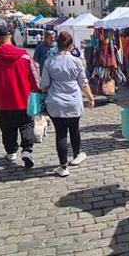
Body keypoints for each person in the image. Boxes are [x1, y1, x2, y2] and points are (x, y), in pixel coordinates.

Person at [0, 25, 40, 168]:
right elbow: (35, 77)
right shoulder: (24, 55)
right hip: (24, 99)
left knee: (7, 127)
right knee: (26, 124)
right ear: (10, 36)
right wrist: (37, 92)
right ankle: (27, 150)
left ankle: (11, 152)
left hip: (3, 101)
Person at [40, 31, 95, 177]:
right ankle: (76, 155)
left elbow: (44, 84)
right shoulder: (76, 61)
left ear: (57, 44)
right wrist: (90, 98)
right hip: (73, 101)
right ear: (71, 45)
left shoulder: (49, 62)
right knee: (74, 128)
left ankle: (63, 167)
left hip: (55, 101)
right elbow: (83, 83)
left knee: (60, 134)